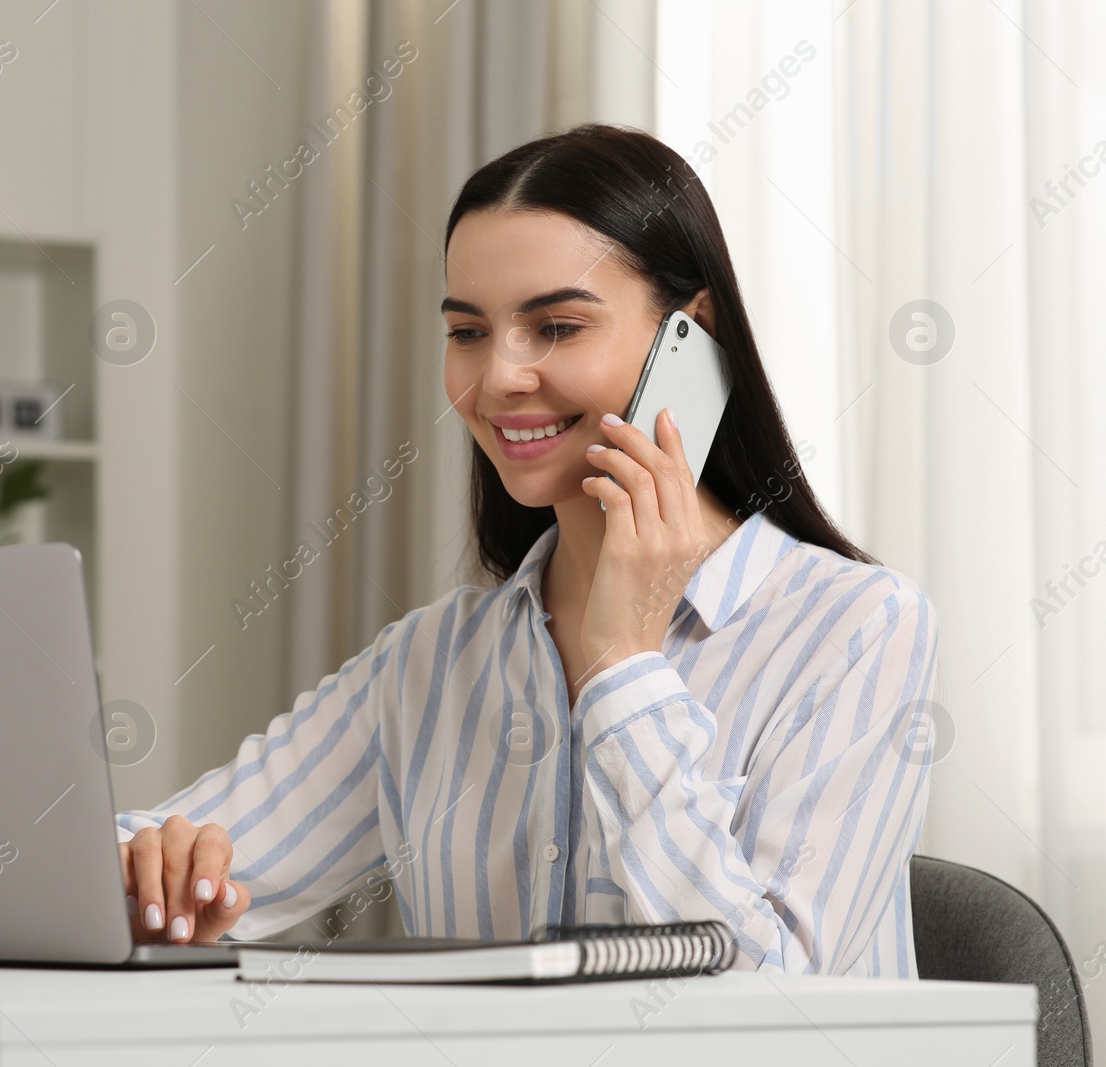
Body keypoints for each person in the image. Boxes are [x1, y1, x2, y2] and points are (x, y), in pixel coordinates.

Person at [114, 123, 940, 976]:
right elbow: (164, 857)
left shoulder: (857, 628)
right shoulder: (431, 667)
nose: (498, 376)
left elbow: (777, 997)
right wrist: (151, 873)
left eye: (555, 327)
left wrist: (623, 666)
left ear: (688, 335)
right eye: (468, 332)